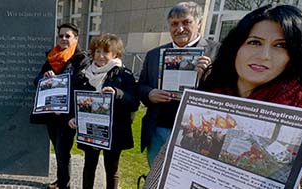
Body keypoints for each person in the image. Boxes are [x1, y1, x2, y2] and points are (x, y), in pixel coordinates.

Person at [143, 4, 302, 188]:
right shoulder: (207, 97)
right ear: (237, 47)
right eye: (254, 42)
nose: (263, 55)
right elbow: (166, 164)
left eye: (280, 46)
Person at [136, 1, 219, 165]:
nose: (179, 29)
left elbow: (230, 92)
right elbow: (140, 85)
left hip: (196, 133)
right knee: (155, 177)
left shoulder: (217, 52)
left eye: (186, 22)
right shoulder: (154, 54)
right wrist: (149, 94)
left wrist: (210, 75)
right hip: (159, 129)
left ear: (199, 23)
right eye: (174, 24)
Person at [67, 33, 139, 189]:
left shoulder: (124, 74)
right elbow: (77, 101)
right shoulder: (85, 74)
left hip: (115, 130)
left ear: (115, 54)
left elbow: (134, 103)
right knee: (89, 165)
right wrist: (74, 117)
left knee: (111, 168)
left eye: (105, 52)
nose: (100, 56)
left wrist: (117, 93)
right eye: (97, 51)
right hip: (91, 130)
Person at [32, 23, 90, 189]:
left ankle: (64, 184)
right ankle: (61, 180)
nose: (63, 39)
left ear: (76, 38)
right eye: (61, 35)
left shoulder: (81, 58)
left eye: (68, 36)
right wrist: (46, 76)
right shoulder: (52, 57)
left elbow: (81, 85)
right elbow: (36, 81)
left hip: (68, 114)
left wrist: (67, 107)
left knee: (62, 149)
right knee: (58, 150)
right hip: (51, 113)